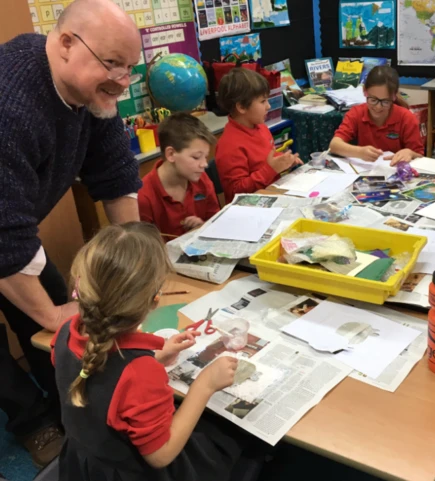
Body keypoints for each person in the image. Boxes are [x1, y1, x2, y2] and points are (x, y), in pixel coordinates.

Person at [0, 0, 143, 465]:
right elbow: (2, 240)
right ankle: (33, 423)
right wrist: (50, 313)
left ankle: (73, 407)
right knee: (44, 320)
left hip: (10, 221)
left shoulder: (90, 92)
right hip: (2, 225)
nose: (122, 80)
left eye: (130, 68)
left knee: (64, 321)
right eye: (112, 63)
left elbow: (117, 175)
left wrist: (141, 262)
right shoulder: (10, 104)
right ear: (65, 44)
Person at [51, 222, 259, 480]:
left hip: (84, 463)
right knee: (230, 438)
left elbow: (99, 379)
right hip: (129, 473)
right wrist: (205, 385)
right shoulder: (139, 372)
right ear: (155, 299)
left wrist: (156, 357)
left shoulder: (65, 332)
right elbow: (161, 455)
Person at [215, 68, 302, 202]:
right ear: (242, 107)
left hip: (272, 194)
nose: (268, 106)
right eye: (262, 101)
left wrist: (284, 159)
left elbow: (264, 158)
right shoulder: (229, 146)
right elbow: (236, 192)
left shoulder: (260, 126)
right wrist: (271, 169)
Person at [138, 112, 221, 240]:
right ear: (171, 154)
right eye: (196, 157)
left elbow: (215, 223)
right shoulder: (144, 197)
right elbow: (144, 249)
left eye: (205, 157)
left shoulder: (202, 180)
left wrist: (202, 227)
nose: (204, 164)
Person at [329, 66, 424, 165]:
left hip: (395, 172)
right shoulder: (356, 113)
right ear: (364, 91)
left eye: (385, 101)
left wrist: (410, 153)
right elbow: (334, 145)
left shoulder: (406, 118)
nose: (378, 107)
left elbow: (420, 156)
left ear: (394, 96)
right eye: (373, 100)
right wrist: (359, 152)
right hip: (366, 172)